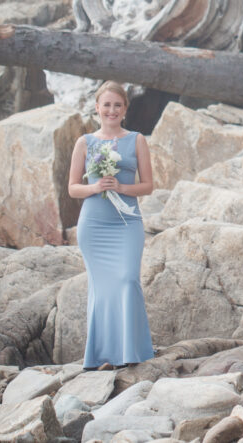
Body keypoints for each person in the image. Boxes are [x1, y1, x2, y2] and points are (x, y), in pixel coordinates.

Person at [68, 81, 154, 370]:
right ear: (97, 107)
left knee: (128, 280)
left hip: (127, 223)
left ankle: (131, 351)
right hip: (94, 225)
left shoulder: (137, 140)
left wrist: (120, 187)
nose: (112, 110)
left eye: (117, 105)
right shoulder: (85, 142)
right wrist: (95, 188)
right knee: (103, 289)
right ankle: (100, 355)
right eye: (106, 105)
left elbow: (148, 186)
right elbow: (72, 188)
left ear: (125, 109)